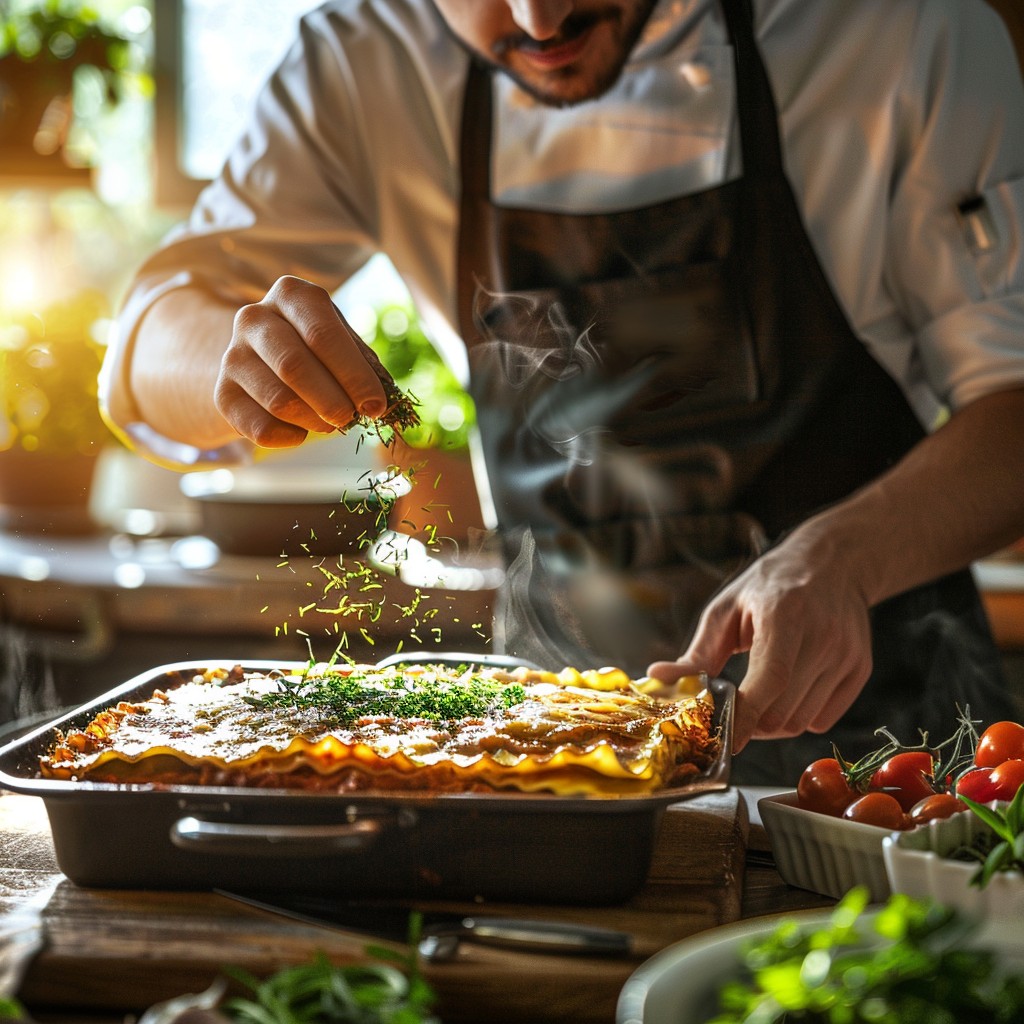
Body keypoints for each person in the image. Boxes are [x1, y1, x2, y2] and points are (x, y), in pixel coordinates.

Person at [102, 0, 1024, 783]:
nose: (541, 19)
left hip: (887, 765)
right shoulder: (367, 57)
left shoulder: (900, 32)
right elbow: (144, 345)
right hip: (555, 759)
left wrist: (847, 558)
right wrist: (237, 354)